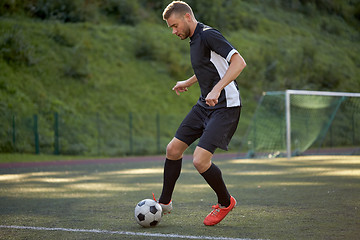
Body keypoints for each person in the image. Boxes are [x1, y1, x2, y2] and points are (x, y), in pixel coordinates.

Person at [154, 1, 246, 226]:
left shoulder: (208, 35)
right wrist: (189, 81)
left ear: (187, 17)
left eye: (174, 26)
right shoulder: (195, 40)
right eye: (171, 28)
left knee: (200, 160)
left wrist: (217, 88)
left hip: (226, 106)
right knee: (173, 149)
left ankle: (226, 202)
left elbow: (238, 62)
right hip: (205, 105)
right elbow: (209, 66)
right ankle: (165, 203)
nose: (174, 32)